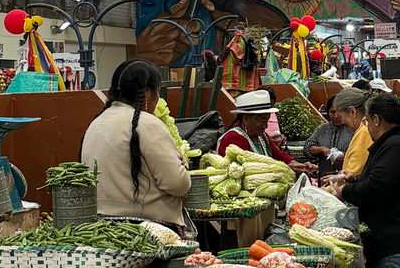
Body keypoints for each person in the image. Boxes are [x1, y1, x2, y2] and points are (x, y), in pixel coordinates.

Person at [81, 59, 193, 235]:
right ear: (147, 94)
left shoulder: (95, 124)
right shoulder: (148, 124)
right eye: (158, 91)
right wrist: (183, 164)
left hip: (100, 228)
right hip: (151, 230)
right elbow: (178, 184)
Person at [334, 94, 400, 268]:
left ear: (376, 120)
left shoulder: (396, 146)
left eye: (367, 121)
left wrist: (344, 191)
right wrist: (355, 179)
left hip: (395, 243)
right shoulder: (392, 143)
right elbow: (382, 181)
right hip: (391, 239)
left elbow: (375, 189)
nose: (367, 127)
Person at [218, 90, 316, 175]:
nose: (266, 126)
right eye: (262, 121)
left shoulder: (262, 137)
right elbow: (248, 169)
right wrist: (287, 168)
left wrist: (298, 165)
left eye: (267, 120)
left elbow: (279, 155)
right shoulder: (234, 138)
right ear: (246, 119)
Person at [302, 95, 354, 174]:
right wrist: (322, 150)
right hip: (324, 176)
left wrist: (345, 158)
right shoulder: (323, 129)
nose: (336, 116)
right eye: (332, 112)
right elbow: (307, 147)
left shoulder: (352, 129)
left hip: (345, 177)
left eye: (339, 113)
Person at [333, 88, 374, 177]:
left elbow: (353, 173)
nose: (342, 122)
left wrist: (326, 189)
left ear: (352, 112)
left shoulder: (364, 133)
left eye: (340, 116)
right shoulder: (365, 128)